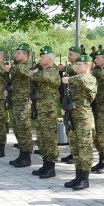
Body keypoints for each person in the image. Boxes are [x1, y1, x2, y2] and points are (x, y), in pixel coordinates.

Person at [62, 55, 97, 190]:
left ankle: (84, 178)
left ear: (87, 65)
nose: (77, 66)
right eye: (76, 64)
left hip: (84, 119)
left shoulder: (89, 79)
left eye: (80, 64)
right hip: (73, 118)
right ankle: (78, 176)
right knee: (75, 149)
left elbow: (83, 79)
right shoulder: (75, 80)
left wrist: (69, 79)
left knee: (85, 149)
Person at [31, 46, 61, 178]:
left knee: (49, 138)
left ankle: (51, 167)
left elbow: (45, 78)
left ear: (49, 59)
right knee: (41, 137)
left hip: (49, 109)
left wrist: (34, 73)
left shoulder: (52, 70)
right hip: (41, 108)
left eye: (42, 57)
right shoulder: (42, 70)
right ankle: (45, 164)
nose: (40, 59)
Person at [8, 44, 33, 167]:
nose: (16, 55)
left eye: (18, 53)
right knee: (17, 129)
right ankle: (22, 153)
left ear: (25, 55)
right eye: (16, 53)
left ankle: (26, 157)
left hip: (24, 101)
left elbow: (26, 72)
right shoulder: (18, 66)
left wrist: (11, 68)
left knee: (24, 129)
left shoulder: (28, 66)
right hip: (16, 100)